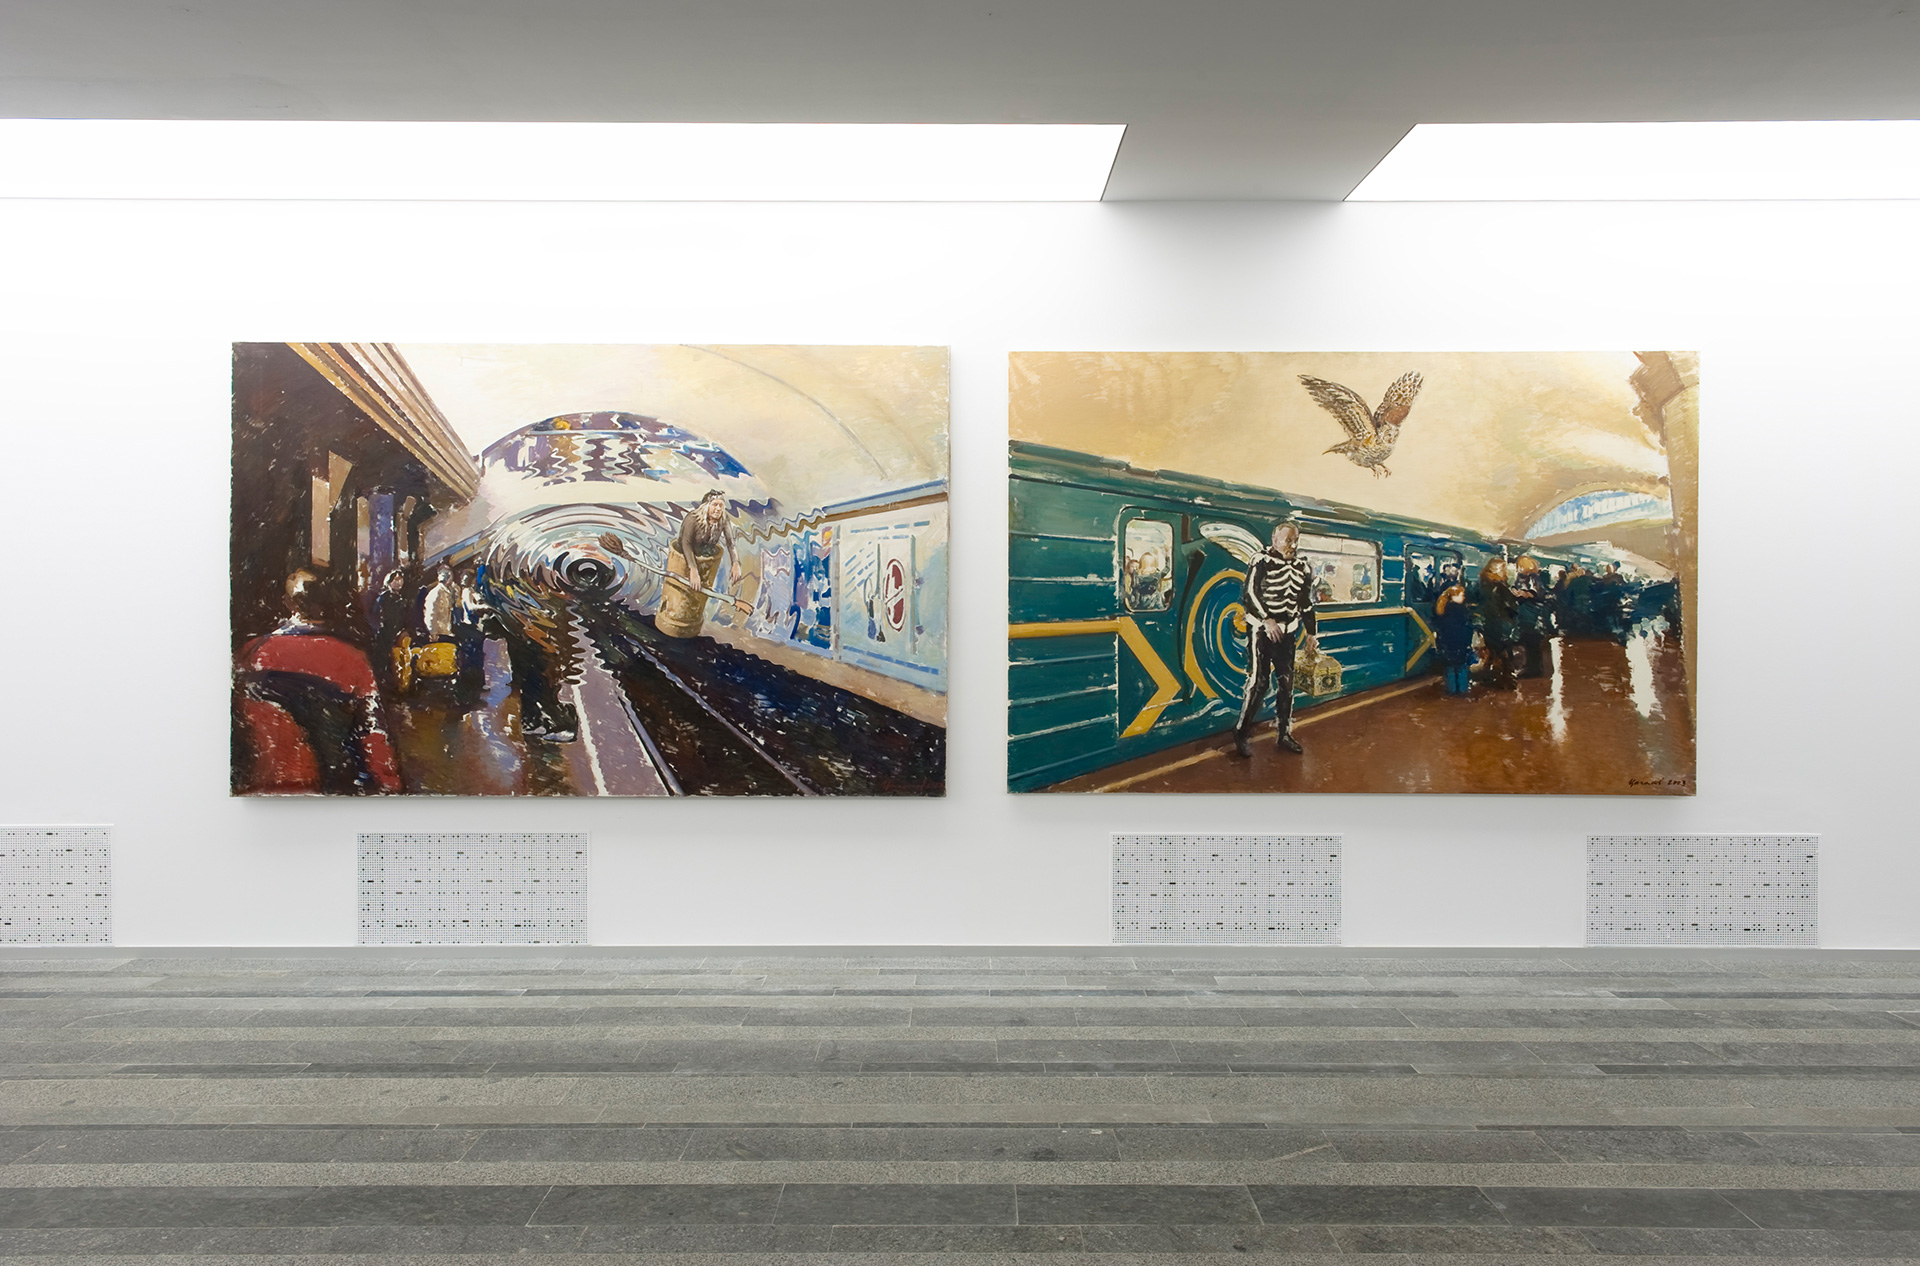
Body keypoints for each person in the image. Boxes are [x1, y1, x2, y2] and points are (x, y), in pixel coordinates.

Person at [234, 570, 401, 795]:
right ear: (325, 602)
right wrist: (387, 785)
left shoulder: (251, 653)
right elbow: (373, 732)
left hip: (258, 788)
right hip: (326, 788)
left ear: (288, 602)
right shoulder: (352, 660)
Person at [1232, 520, 1317, 757]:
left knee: (1286, 682)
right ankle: (1241, 731)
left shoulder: (1303, 567)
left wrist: (1311, 632)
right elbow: (1250, 594)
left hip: (1288, 631)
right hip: (1262, 630)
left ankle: (1284, 733)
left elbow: (1305, 602)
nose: (1293, 545)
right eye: (1288, 540)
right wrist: (1266, 619)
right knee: (1259, 681)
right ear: (1275, 540)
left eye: (1295, 540)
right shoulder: (1260, 561)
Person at [1477, 557, 1522, 689]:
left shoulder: (1482, 584)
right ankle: (1508, 679)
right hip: (1501, 623)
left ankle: (1489, 677)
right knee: (1504, 652)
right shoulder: (1501, 587)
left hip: (1488, 623)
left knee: (1493, 651)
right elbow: (1512, 606)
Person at [1512, 555, 1556, 678]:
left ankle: (1534, 669)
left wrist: (1523, 594)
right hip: (1529, 614)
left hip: (1531, 614)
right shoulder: (1525, 577)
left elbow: (1538, 593)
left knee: (1531, 641)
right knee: (1531, 642)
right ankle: (1534, 668)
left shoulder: (1532, 577)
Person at [452, 567, 492, 697]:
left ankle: (476, 683)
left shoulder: (472, 591)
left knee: (477, 654)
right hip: (469, 626)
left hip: (475, 626)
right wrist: (485, 607)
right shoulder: (466, 591)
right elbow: (470, 608)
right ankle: (470, 684)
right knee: (471, 655)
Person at [1433, 573, 1474, 695]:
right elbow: (1464, 628)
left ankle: (1451, 690)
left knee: (1450, 668)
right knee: (1461, 667)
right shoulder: (1460, 611)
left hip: (1446, 644)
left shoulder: (1442, 609)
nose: (1463, 597)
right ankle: (1462, 690)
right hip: (1459, 643)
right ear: (1454, 597)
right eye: (1461, 595)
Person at [371, 568, 411, 693]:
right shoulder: (384, 598)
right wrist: (380, 628)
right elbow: (375, 616)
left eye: (400, 580)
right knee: (383, 659)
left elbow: (405, 618)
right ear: (389, 582)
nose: (398, 583)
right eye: (395, 580)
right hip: (384, 633)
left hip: (396, 633)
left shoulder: (402, 600)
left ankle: (394, 685)